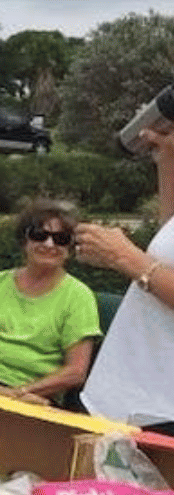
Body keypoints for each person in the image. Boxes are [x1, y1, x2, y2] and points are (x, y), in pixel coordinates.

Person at [0, 198, 100, 405]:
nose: (49, 244)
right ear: (24, 240)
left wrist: (16, 392)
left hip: (34, 396)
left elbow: (76, 371)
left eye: (61, 238)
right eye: (39, 235)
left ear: (70, 247)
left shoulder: (79, 296)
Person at [77, 126, 174, 431]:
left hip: (161, 409)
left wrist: (124, 257)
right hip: (121, 393)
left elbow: (142, 264)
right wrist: (167, 157)